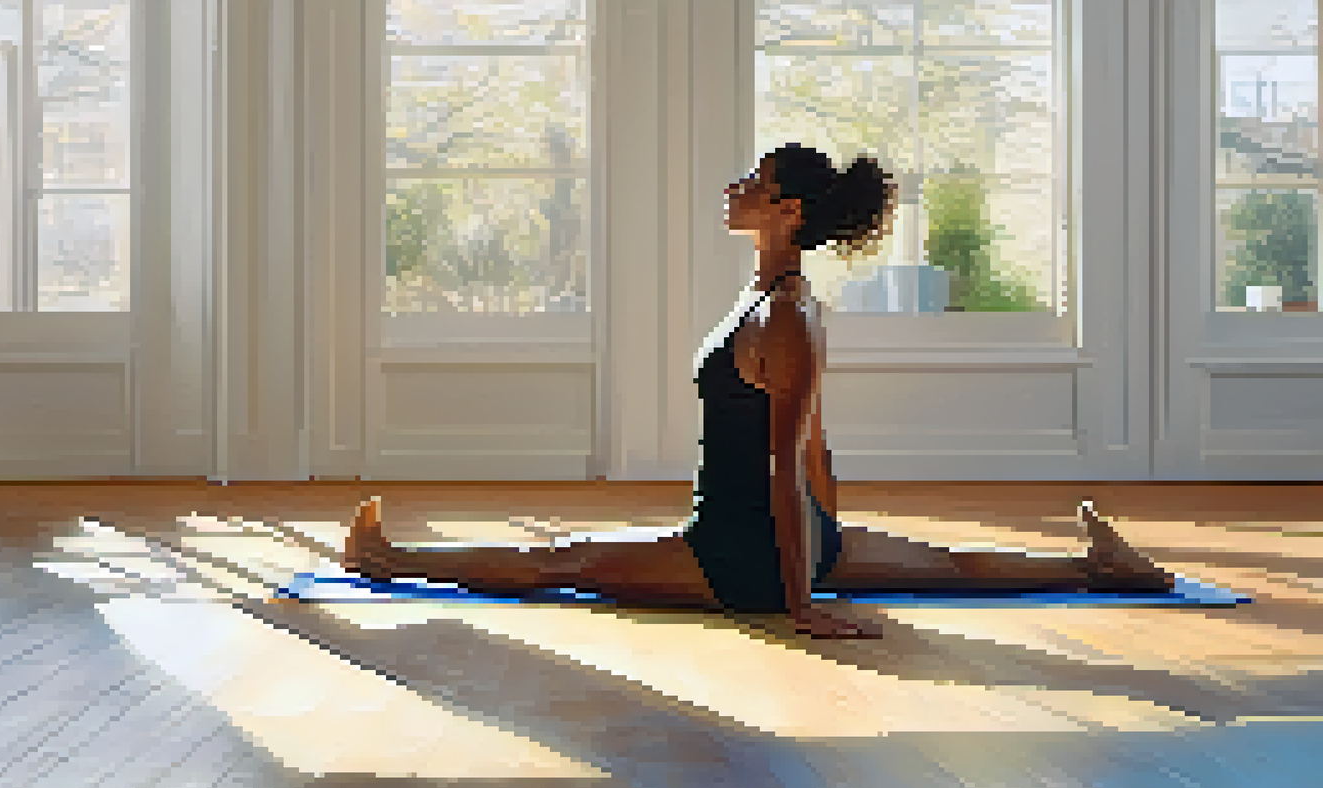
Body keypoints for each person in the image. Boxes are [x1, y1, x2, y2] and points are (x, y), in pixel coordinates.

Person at [342, 143, 1176, 638]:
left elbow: (788, 459)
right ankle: (1102, 567)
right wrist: (825, 539)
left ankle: (386, 557)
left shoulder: (784, 316)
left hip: (738, 552)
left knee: (561, 560)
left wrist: (797, 600)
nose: (735, 186)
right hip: (787, 534)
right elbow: (814, 445)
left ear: (785, 208)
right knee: (949, 564)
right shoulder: (779, 301)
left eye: (752, 178)